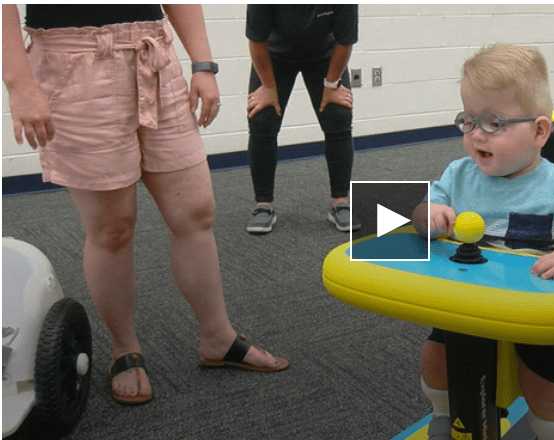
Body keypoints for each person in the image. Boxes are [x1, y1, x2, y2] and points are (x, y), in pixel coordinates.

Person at [2, 4, 288, 406]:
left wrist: (203, 64)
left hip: (153, 51)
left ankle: (218, 337)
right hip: (72, 62)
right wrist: (19, 85)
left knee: (195, 210)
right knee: (112, 228)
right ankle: (124, 349)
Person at [411, 44, 554, 440]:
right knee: (434, 360)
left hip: (538, 309)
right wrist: (430, 217)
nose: (476, 134)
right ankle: (444, 414)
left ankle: (550, 431)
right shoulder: (459, 175)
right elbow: (423, 214)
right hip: (468, 302)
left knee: (548, 394)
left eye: (493, 123)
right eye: (468, 120)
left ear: (540, 131)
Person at [244, 4, 361, 234]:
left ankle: (340, 202)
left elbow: (345, 41)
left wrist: (330, 85)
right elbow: (257, 40)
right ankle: (263, 205)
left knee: (338, 116)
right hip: (274, 55)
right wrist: (268, 87)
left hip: (324, 55)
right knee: (262, 119)